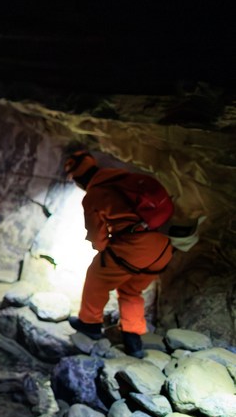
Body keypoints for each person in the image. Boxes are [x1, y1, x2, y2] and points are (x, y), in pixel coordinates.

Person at [64, 150, 174, 358]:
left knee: (96, 277)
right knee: (131, 290)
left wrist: (103, 250)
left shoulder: (95, 195)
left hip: (134, 248)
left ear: (79, 179)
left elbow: (98, 237)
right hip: (162, 248)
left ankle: (90, 324)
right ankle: (133, 339)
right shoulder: (124, 179)